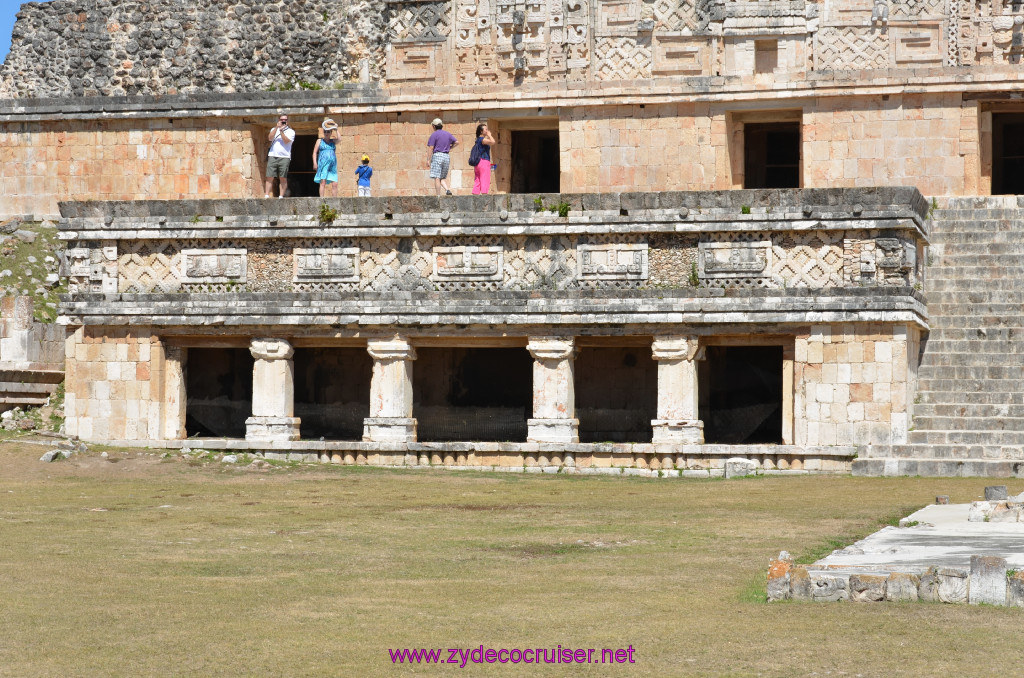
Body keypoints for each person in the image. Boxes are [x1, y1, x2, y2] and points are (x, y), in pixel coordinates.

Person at [265, 113, 295, 198]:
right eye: (282, 120)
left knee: (283, 177)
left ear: (287, 121)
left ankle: (281, 196)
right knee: (269, 176)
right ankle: (266, 194)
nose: (283, 121)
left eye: (285, 120)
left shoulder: (291, 131)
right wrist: (276, 128)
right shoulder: (274, 129)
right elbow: (270, 138)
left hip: (284, 157)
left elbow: (286, 141)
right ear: (279, 120)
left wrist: (281, 131)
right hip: (273, 155)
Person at [426, 117, 458, 195]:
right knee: (441, 177)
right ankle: (447, 190)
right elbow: (457, 142)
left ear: (434, 126)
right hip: (446, 156)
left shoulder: (434, 134)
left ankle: (438, 195)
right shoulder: (447, 134)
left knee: (437, 177)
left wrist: (428, 160)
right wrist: (449, 148)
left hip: (437, 156)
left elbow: (431, 148)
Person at [313, 118, 339, 198]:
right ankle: (321, 199)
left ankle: (334, 199)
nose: (326, 133)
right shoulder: (319, 141)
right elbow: (314, 152)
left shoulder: (333, 141)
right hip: (323, 164)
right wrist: (315, 163)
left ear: (331, 132)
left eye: (328, 131)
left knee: (335, 183)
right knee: (323, 181)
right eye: (325, 131)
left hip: (332, 165)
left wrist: (336, 129)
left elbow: (339, 139)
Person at [471, 123, 495, 195]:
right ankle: (484, 194)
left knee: (477, 179)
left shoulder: (477, 140)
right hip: (484, 161)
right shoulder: (482, 140)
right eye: (486, 129)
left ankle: (475, 193)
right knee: (485, 178)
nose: (487, 130)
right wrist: (489, 135)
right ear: (481, 131)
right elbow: (493, 142)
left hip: (477, 162)